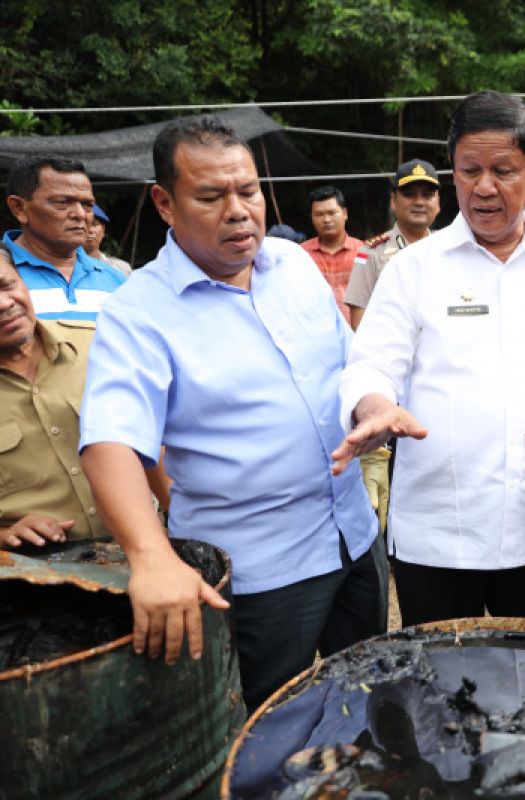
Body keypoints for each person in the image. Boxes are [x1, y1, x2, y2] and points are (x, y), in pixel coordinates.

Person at [79, 116, 385, 711]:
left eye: (247, 191)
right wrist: (149, 557)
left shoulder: (292, 265)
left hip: (354, 539)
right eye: (212, 196)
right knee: (267, 726)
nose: (239, 210)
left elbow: (349, 368)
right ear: (165, 203)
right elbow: (111, 441)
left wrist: (372, 407)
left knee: (368, 701)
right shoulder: (138, 311)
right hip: (262, 574)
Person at [334, 91, 525, 627]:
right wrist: (375, 408)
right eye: (469, 171)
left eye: (503, 170)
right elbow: (371, 365)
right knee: (445, 688)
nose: (484, 187)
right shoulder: (413, 268)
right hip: (440, 533)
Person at [0, 262, 109, 547]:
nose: (3, 304)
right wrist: (2, 537)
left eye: (7, 285)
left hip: (147, 554)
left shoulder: (103, 344)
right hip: (35, 572)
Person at [3, 155, 126, 320]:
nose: (81, 215)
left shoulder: (116, 281)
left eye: (87, 205)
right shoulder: (4, 272)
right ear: (19, 208)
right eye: (63, 202)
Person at [345, 159, 441, 331]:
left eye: (427, 195)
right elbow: (359, 325)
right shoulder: (369, 253)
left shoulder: (449, 249)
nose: (419, 202)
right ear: (393, 201)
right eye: (409, 194)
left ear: (438, 203)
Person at [302, 185, 362, 323]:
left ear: (345, 213)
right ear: (311, 217)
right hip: (315, 332)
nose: (326, 220)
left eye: (332, 212)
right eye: (319, 214)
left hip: (357, 334)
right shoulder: (300, 255)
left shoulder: (364, 252)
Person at [85, 204, 133, 275]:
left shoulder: (121, 269)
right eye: (85, 225)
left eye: (94, 224)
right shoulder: (64, 270)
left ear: (103, 230)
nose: (90, 230)